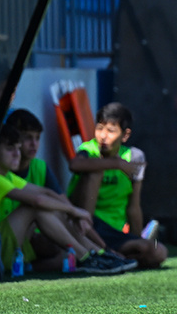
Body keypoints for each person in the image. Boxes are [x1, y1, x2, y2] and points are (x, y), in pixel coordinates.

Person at [0, 123, 122, 274]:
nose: (17, 154)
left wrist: (73, 212)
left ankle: (96, 254)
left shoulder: (6, 175)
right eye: (9, 149)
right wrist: (74, 211)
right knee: (34, 208)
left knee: (53, 209)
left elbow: (46, 193)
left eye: (18, 149)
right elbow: (37, 201)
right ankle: (85, 256)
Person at [68, 103, 168, 269]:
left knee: (158, 252)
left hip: (114, 232)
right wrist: (115, 164)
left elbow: (133, 207)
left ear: (125, 135)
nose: (103, 136)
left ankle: (114, 256)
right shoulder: (88, 150)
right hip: (86, 225)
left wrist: (137, 238)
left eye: (111, 131)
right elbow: (74, 165)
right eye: (99, 128)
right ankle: (99, 252)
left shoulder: (134, 157)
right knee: (96, 170)